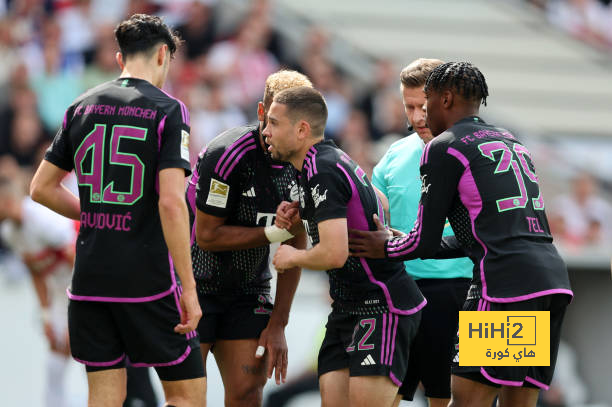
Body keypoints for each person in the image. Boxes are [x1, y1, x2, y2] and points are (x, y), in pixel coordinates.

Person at [348, 62, 573, 407]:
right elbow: (475, 236)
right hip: (548, 281)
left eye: (427, 105)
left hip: (502, 286)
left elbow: (422, 239)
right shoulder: (509, 139)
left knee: (467, 402)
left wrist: (388, 246)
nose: (419, 117)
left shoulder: (444, 147)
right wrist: (397, 239)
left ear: (446, 99)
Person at [29, 14, 205, 406]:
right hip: (149, 282)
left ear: (119, 58)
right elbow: (172, 203)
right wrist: (190, 290)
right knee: (187, 397)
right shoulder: (169, 110)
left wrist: (92, 212)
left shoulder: (80, 106)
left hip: (90, 280)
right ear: (163, 55)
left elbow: (40, 188)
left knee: (104, 399)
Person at [265, 86, 426, 407]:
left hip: (385, 305)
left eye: (273, 123)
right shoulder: (320, 162)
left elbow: (335, 253)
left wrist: (292, 255)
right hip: (351, 306)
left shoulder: (322, 167)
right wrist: (305, 213)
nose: (265, 131)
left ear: (301, 129)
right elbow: (373, 199)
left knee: (462, 396)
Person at [186, 69, 309, 406]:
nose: (276, 131)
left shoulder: (307, 164)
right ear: (260, 112)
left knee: (247, 394)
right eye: (272, 120)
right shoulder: (227, 154)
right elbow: (206, 236)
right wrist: (274, 232)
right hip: (194, 287)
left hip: (249, 291)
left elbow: (295, 244)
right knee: (186, 397)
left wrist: (279, 322)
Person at [371, 58, 473, 407]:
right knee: (383, 397)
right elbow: (373, 224)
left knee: (459, 398)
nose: (416, 118)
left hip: (463, 293)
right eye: (408, 107)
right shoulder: (393, 157)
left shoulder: (477, 154)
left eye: (423, 107)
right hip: (400, 293)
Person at [0, 176, 77, 407]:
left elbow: (79, 260)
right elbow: (36, 272)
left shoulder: (41, 218)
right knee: (56, 351)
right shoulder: (9, 232)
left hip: (82, 286)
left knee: (87, 351)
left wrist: (78, 312)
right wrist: (46, 315)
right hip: (59, 291)